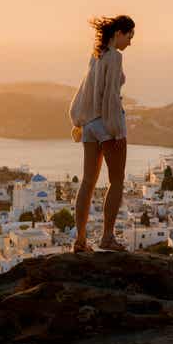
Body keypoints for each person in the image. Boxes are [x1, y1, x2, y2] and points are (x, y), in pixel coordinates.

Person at [67, 14, 135, 252]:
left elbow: (84, 91)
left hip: (89, 125)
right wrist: (116, 130)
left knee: (87, 182)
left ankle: (80, 241)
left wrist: (80, 121)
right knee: (116, 181)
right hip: (107, 125)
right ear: (118, 33)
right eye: (129, 36)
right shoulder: (115, 56)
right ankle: (107, 237)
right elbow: (111, 97)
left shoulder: (96, 54)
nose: (130, 42)